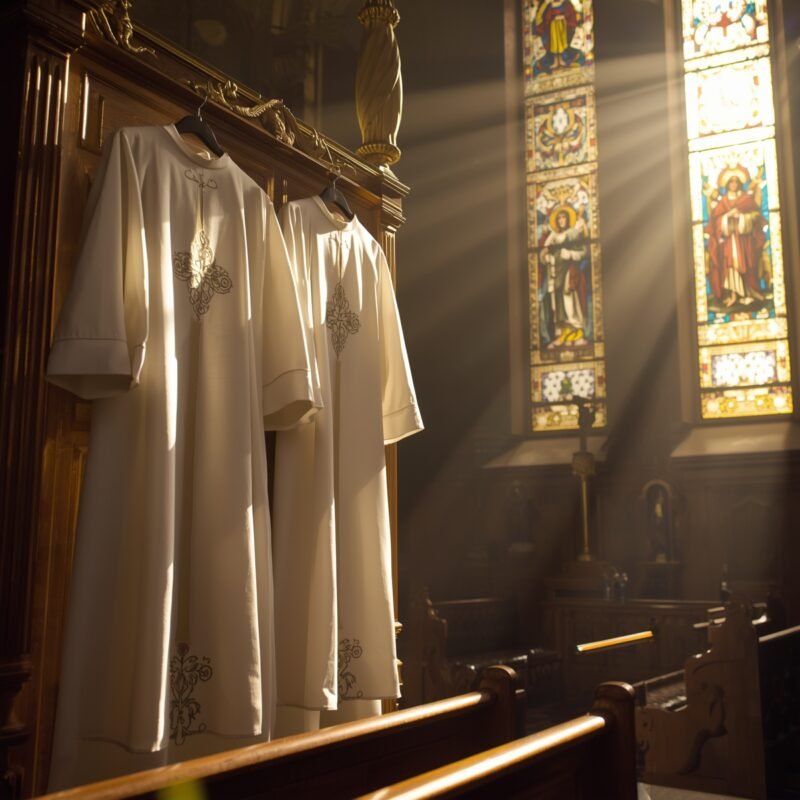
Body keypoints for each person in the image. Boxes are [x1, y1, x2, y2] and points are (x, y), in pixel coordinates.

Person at [705, 165, 769, 309]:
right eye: (731, 181)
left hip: (744, 240)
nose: (733, 184)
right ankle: (733, 294)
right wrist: (727, 216)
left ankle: (750, 292)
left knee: (747, 264)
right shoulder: (723, 202)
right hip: (728, 241)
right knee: (730, 266)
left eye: (736, 181)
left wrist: (741, 216)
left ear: (739, 183)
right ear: (727, 184)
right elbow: (715, 222)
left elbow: (756, 216)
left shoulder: (746, 199)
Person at [540, 204, 590, 348]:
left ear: (568, 219)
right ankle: (562, 335)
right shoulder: (553, 235)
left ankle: (578, 334)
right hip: (555, 275)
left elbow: (584, 252)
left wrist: (570, 254)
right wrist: (547, 257)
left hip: (569, 272)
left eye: (564, 217)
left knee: (571, 304)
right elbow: (543, 252)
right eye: (559, 218)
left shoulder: (573, 233)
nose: (562, 220)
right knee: (559, 306)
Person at [534, 0, 579, 70]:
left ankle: (561, 60)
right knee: (554, 44)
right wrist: (553, 18)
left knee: (562, 43)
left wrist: (563, 17)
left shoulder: (565, 4)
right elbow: (546, 17)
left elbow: (569, 14)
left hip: (562, 26)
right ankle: (555, 61)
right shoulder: (550, 5)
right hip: (553, 27)